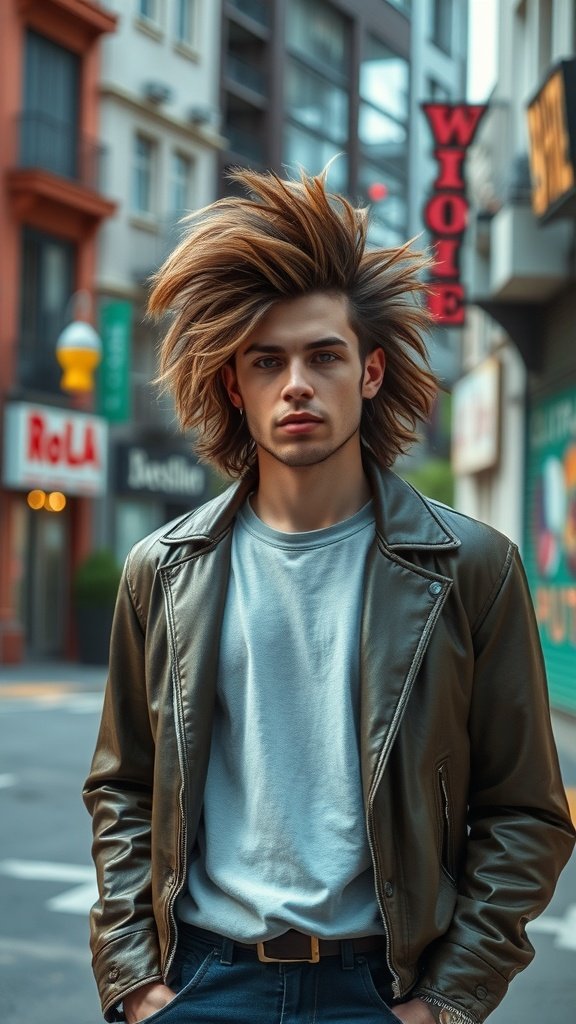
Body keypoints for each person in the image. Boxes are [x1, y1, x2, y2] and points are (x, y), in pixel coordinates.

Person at [84, 168, 575, 1024]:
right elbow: (124, 788)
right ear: (235, 386)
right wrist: (135, 985)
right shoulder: (162, 569)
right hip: (200, 983)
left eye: (323, 355)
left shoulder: (471, 567)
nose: (296, 384)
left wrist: (445, 1003)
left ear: (372, 372)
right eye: (266, 362)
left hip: (381, 991)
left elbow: (526, 810)